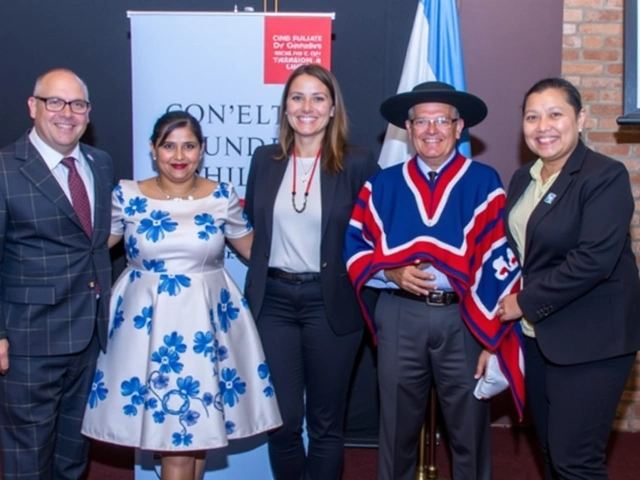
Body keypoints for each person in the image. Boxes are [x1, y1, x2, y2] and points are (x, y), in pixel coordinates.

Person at [81, 111, 282, 480]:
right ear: (153, 150)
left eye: (189, 145)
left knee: (196, 432)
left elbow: (255, 249)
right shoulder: (126, 196)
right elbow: (91, 249)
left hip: (207, 326)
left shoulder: (222, 197)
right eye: (169, 145)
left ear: (202, 150)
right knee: (174, 440)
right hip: (145, 328)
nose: (179, 155)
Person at [344, 81, 524, 480]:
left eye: (442, 120)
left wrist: (491, 333)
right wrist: (388, 272)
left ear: (459, 128)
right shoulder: (383, 184)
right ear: (408, 129)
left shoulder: (483, 181)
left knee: (469, 432)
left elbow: (499, 255)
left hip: (463, 318)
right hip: (400, 315)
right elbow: (355, 244)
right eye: (421, 121)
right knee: (395, 431)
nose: (431, 129)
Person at [498, 77, 640, 480]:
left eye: (555, 114)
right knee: (552, 455)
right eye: (532, 117)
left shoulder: (604, 176)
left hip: (593, 339)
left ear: (581, 119)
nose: (543, 125)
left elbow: (593, 260)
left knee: (576, 461)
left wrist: (523, 302)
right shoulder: (524, 178)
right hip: (540, 336)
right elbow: (524, 254)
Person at [244, 64, 379, 480]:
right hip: (274, 304)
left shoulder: (358, 163)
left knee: (325, 425)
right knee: (282, 422)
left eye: (318, 98)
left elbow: (374, 238)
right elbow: (252, 230)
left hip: (331, 304)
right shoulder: (264, 160)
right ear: (285, 109)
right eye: (297, 98)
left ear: (333, 107)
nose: (307, 107)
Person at [0, 68, 113, 479]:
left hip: (89, 340)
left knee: (72, 457)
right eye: (55, 102)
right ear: (33, 107)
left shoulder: (99, 164)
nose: (67, 113)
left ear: (88, 113)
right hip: (28, 343)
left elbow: (93, 244)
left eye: (78, 104)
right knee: (27, 460)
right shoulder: (5, 170)